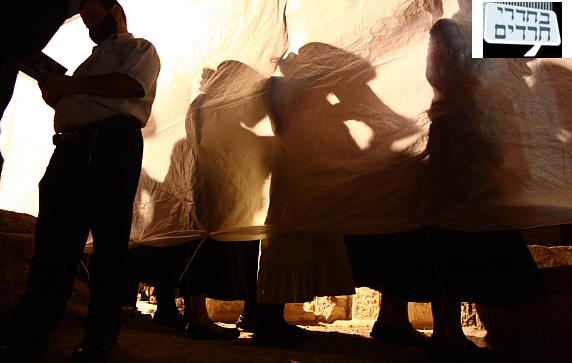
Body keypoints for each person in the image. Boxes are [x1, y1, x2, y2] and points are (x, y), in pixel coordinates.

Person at [0, 1, 160, 362]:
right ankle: (31, 332)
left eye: (94, 12)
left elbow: (128, 85)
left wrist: (71, 86)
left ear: (116, 12)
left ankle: (100, 336)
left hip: (109, 144)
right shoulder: (88, 62)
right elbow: (89, 94)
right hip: (71, 148)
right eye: (84, 16)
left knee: (108, 242)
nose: (89, 20)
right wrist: (58, 91)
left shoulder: (138, 48)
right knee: (53, 244)